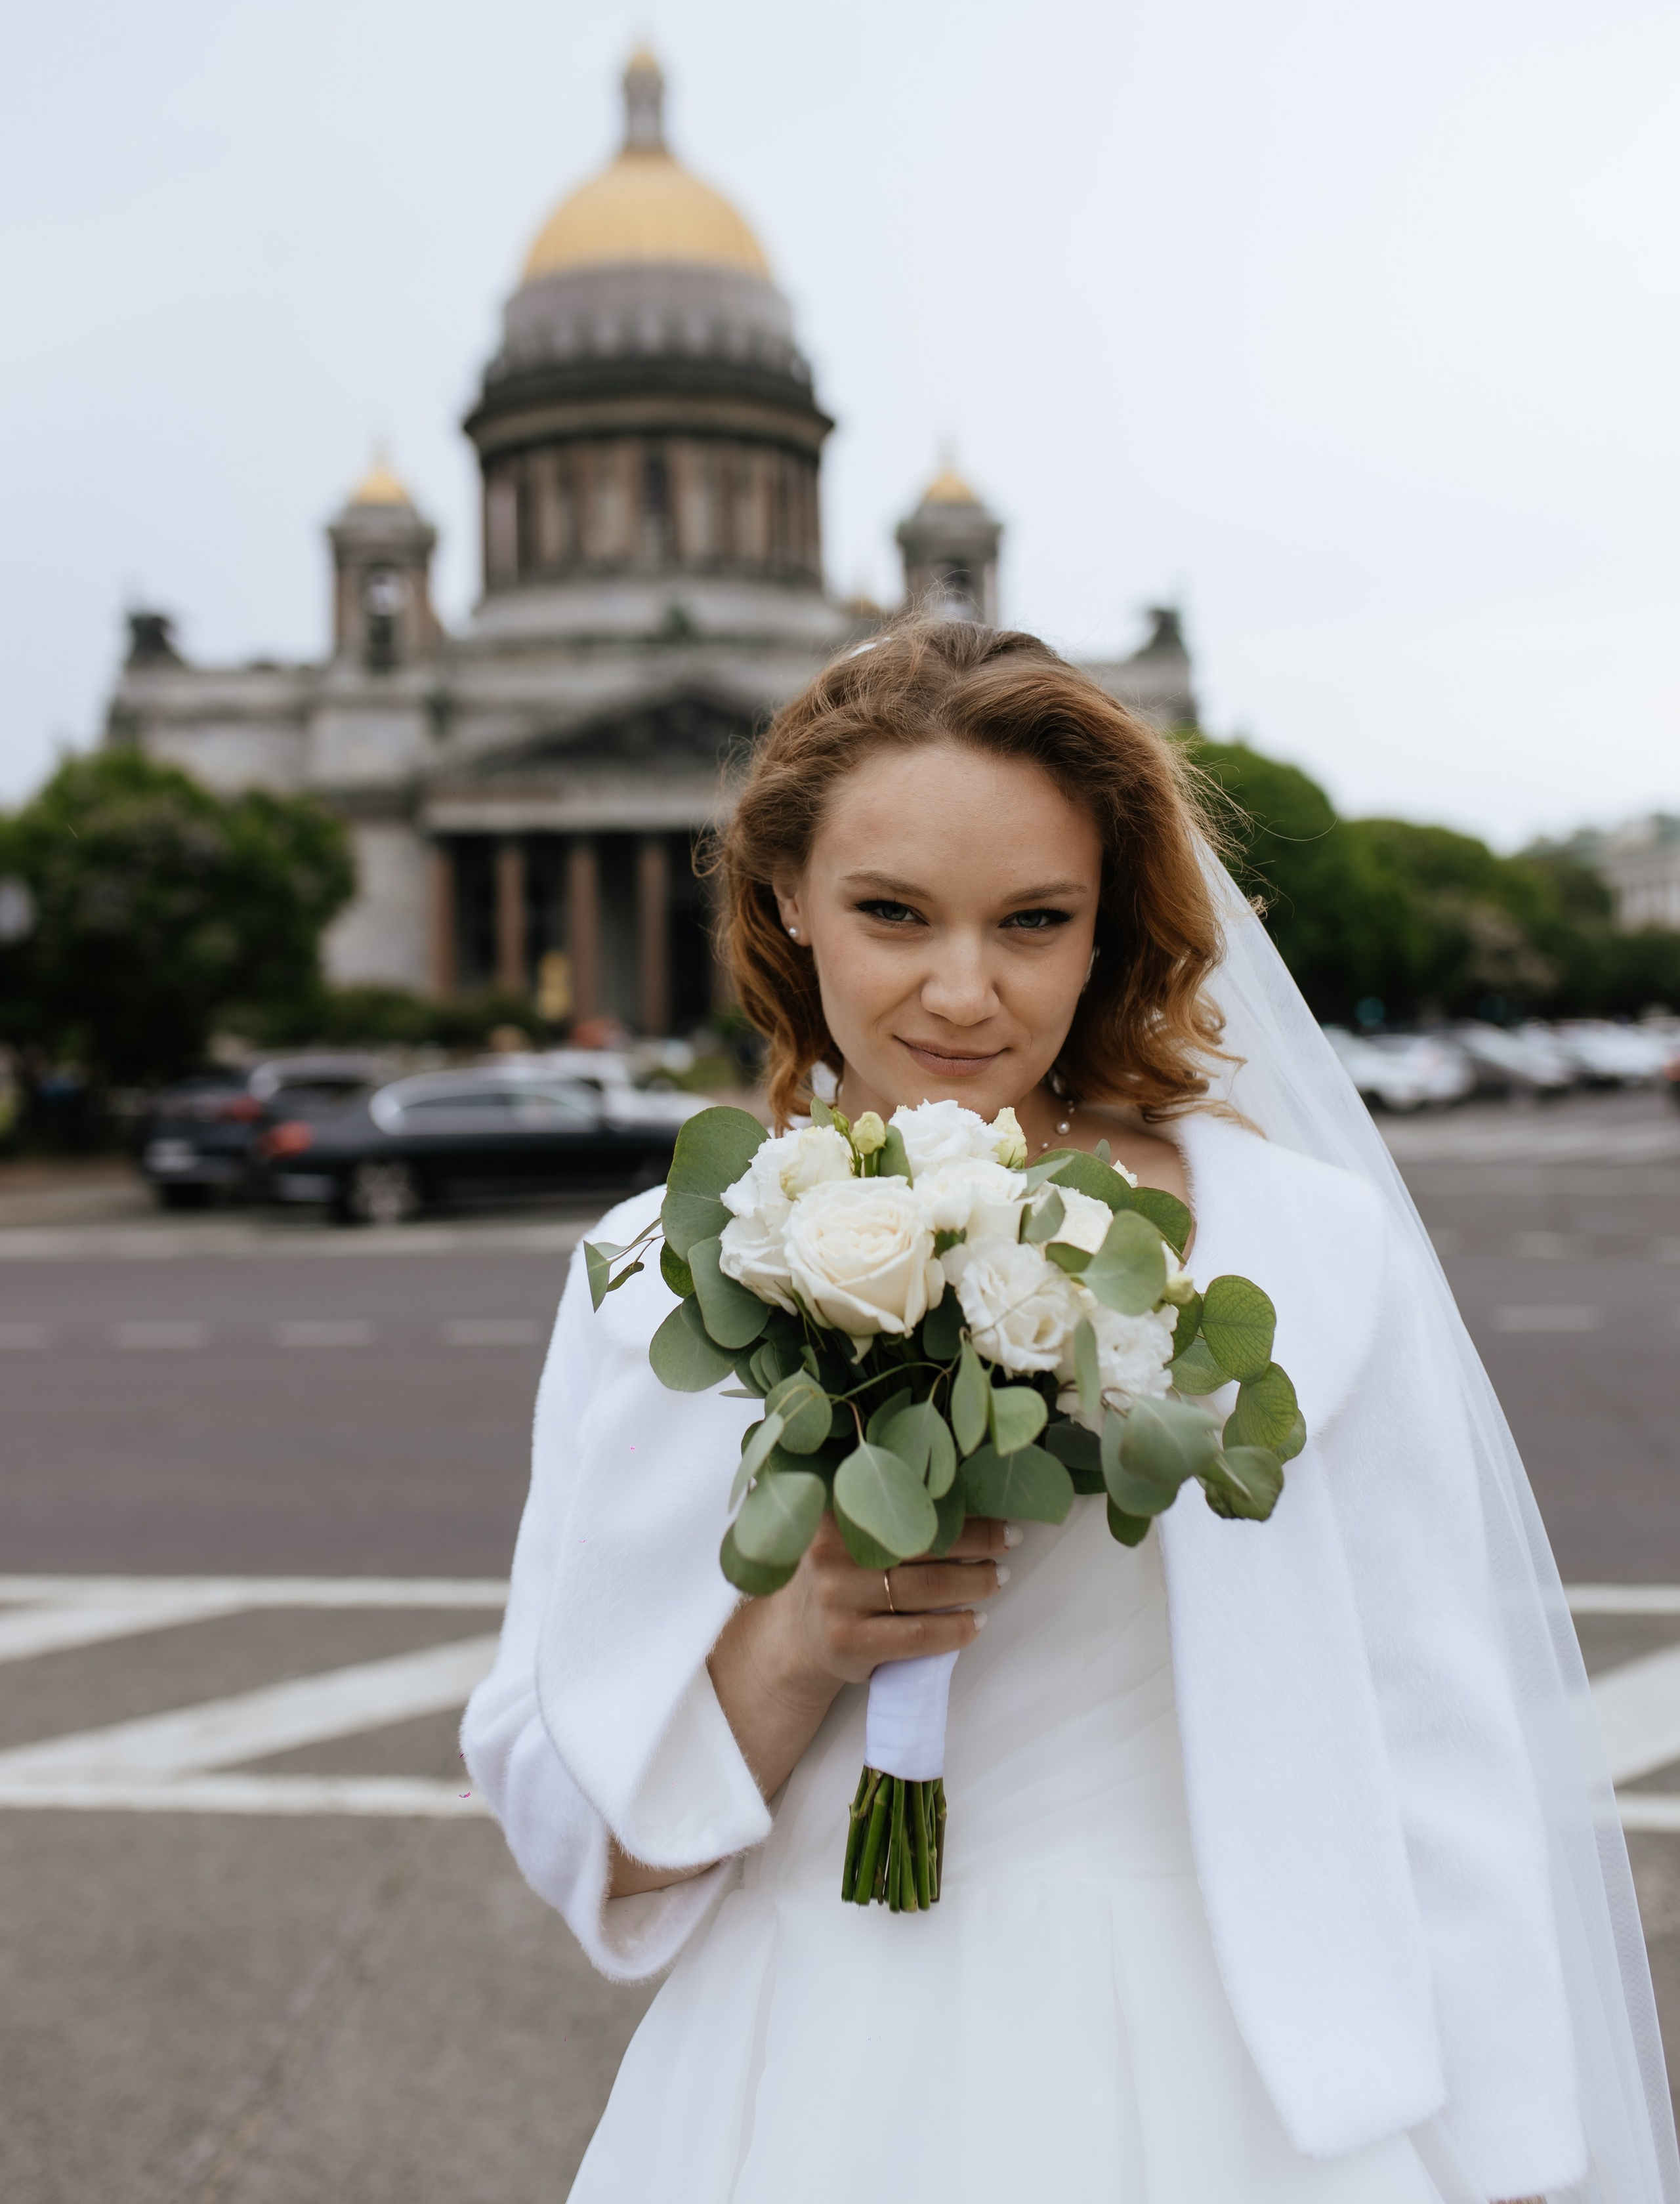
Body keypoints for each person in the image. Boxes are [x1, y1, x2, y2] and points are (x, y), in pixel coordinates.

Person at [463, 620, 1677, 2204]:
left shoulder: (1303, 1243)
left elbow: (1433, 1751)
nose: (961, 992)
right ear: (782, 900)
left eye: (1033, 921)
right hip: (813, 2067)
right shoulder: (654, 1268)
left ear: (1108, 927)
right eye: (890, 913)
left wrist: (1512, 2159)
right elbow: (582, 1829)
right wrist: (804, 1636)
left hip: (1237, 2083)